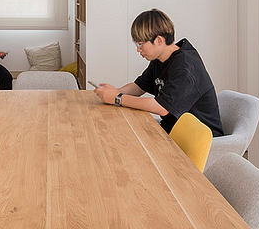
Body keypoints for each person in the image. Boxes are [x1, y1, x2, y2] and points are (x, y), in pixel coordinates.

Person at [94, 9, 223, 136]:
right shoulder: (160, 58)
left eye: (140, 44)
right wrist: (115, 92)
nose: (138, 50)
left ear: (159, 40)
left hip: (198, 139)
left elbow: (162, 108)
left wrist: (117, 98)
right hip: (172, 129)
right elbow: (139, 87)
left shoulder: (185, 67)